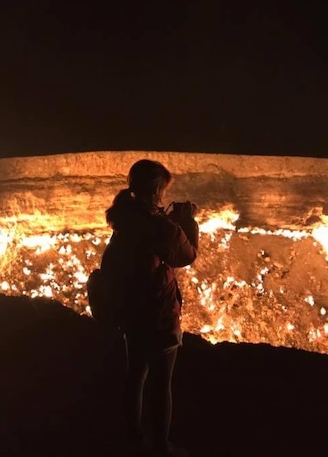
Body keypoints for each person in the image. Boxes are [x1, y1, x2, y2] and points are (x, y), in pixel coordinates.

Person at [100, 159, 199, 456]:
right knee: (160, 383)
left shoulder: (125, 216)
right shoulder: (157, 225)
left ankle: (133, 436)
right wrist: (188, 221)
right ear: (157, 188)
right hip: (156, 313)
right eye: (162, 189)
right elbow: (186, 255)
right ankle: (160, 447)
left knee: (135, 374)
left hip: (130, 311)